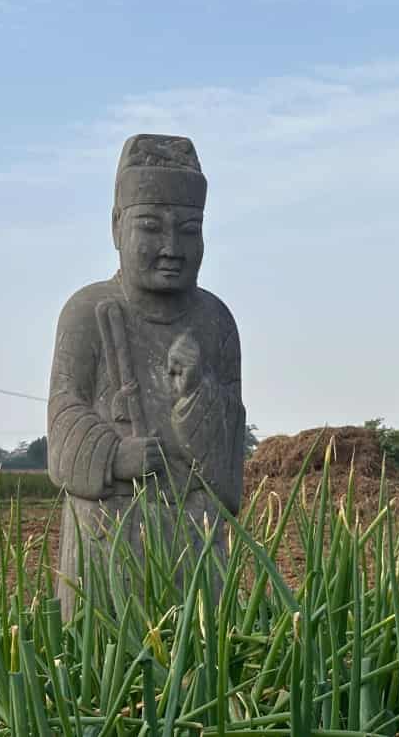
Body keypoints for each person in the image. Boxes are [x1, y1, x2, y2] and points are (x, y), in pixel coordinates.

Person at [47, 135, 247, 619]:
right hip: (108, 528)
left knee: (200, 645)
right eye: (151, 227)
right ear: (117, 227)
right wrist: (115, 456)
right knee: (100, 646)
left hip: (193, 529)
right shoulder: (87, 311)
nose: (171, 248)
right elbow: (64, 414)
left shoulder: (215, 321)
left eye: (189, 230)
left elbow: (229, 460)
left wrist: (198, 395)